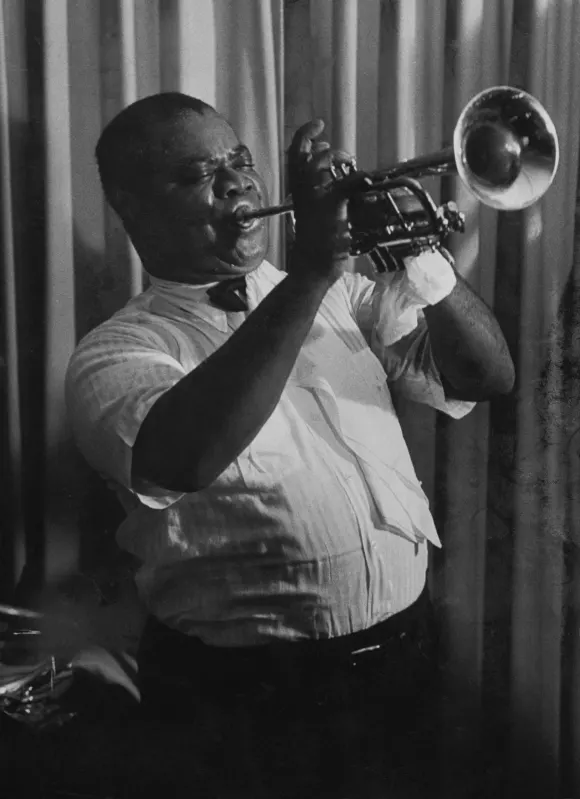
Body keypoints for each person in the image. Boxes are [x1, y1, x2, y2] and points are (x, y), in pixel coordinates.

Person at [65, 92, 515, 798]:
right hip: (248, 701)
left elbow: (489, 375)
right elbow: (179, 458)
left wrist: (418, 251)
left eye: (240, 161)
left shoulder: (346, 298)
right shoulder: (116, 353)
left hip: (406, 658)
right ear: (130, 206)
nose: (238, 182)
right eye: (196, 175)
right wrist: (310, 271)